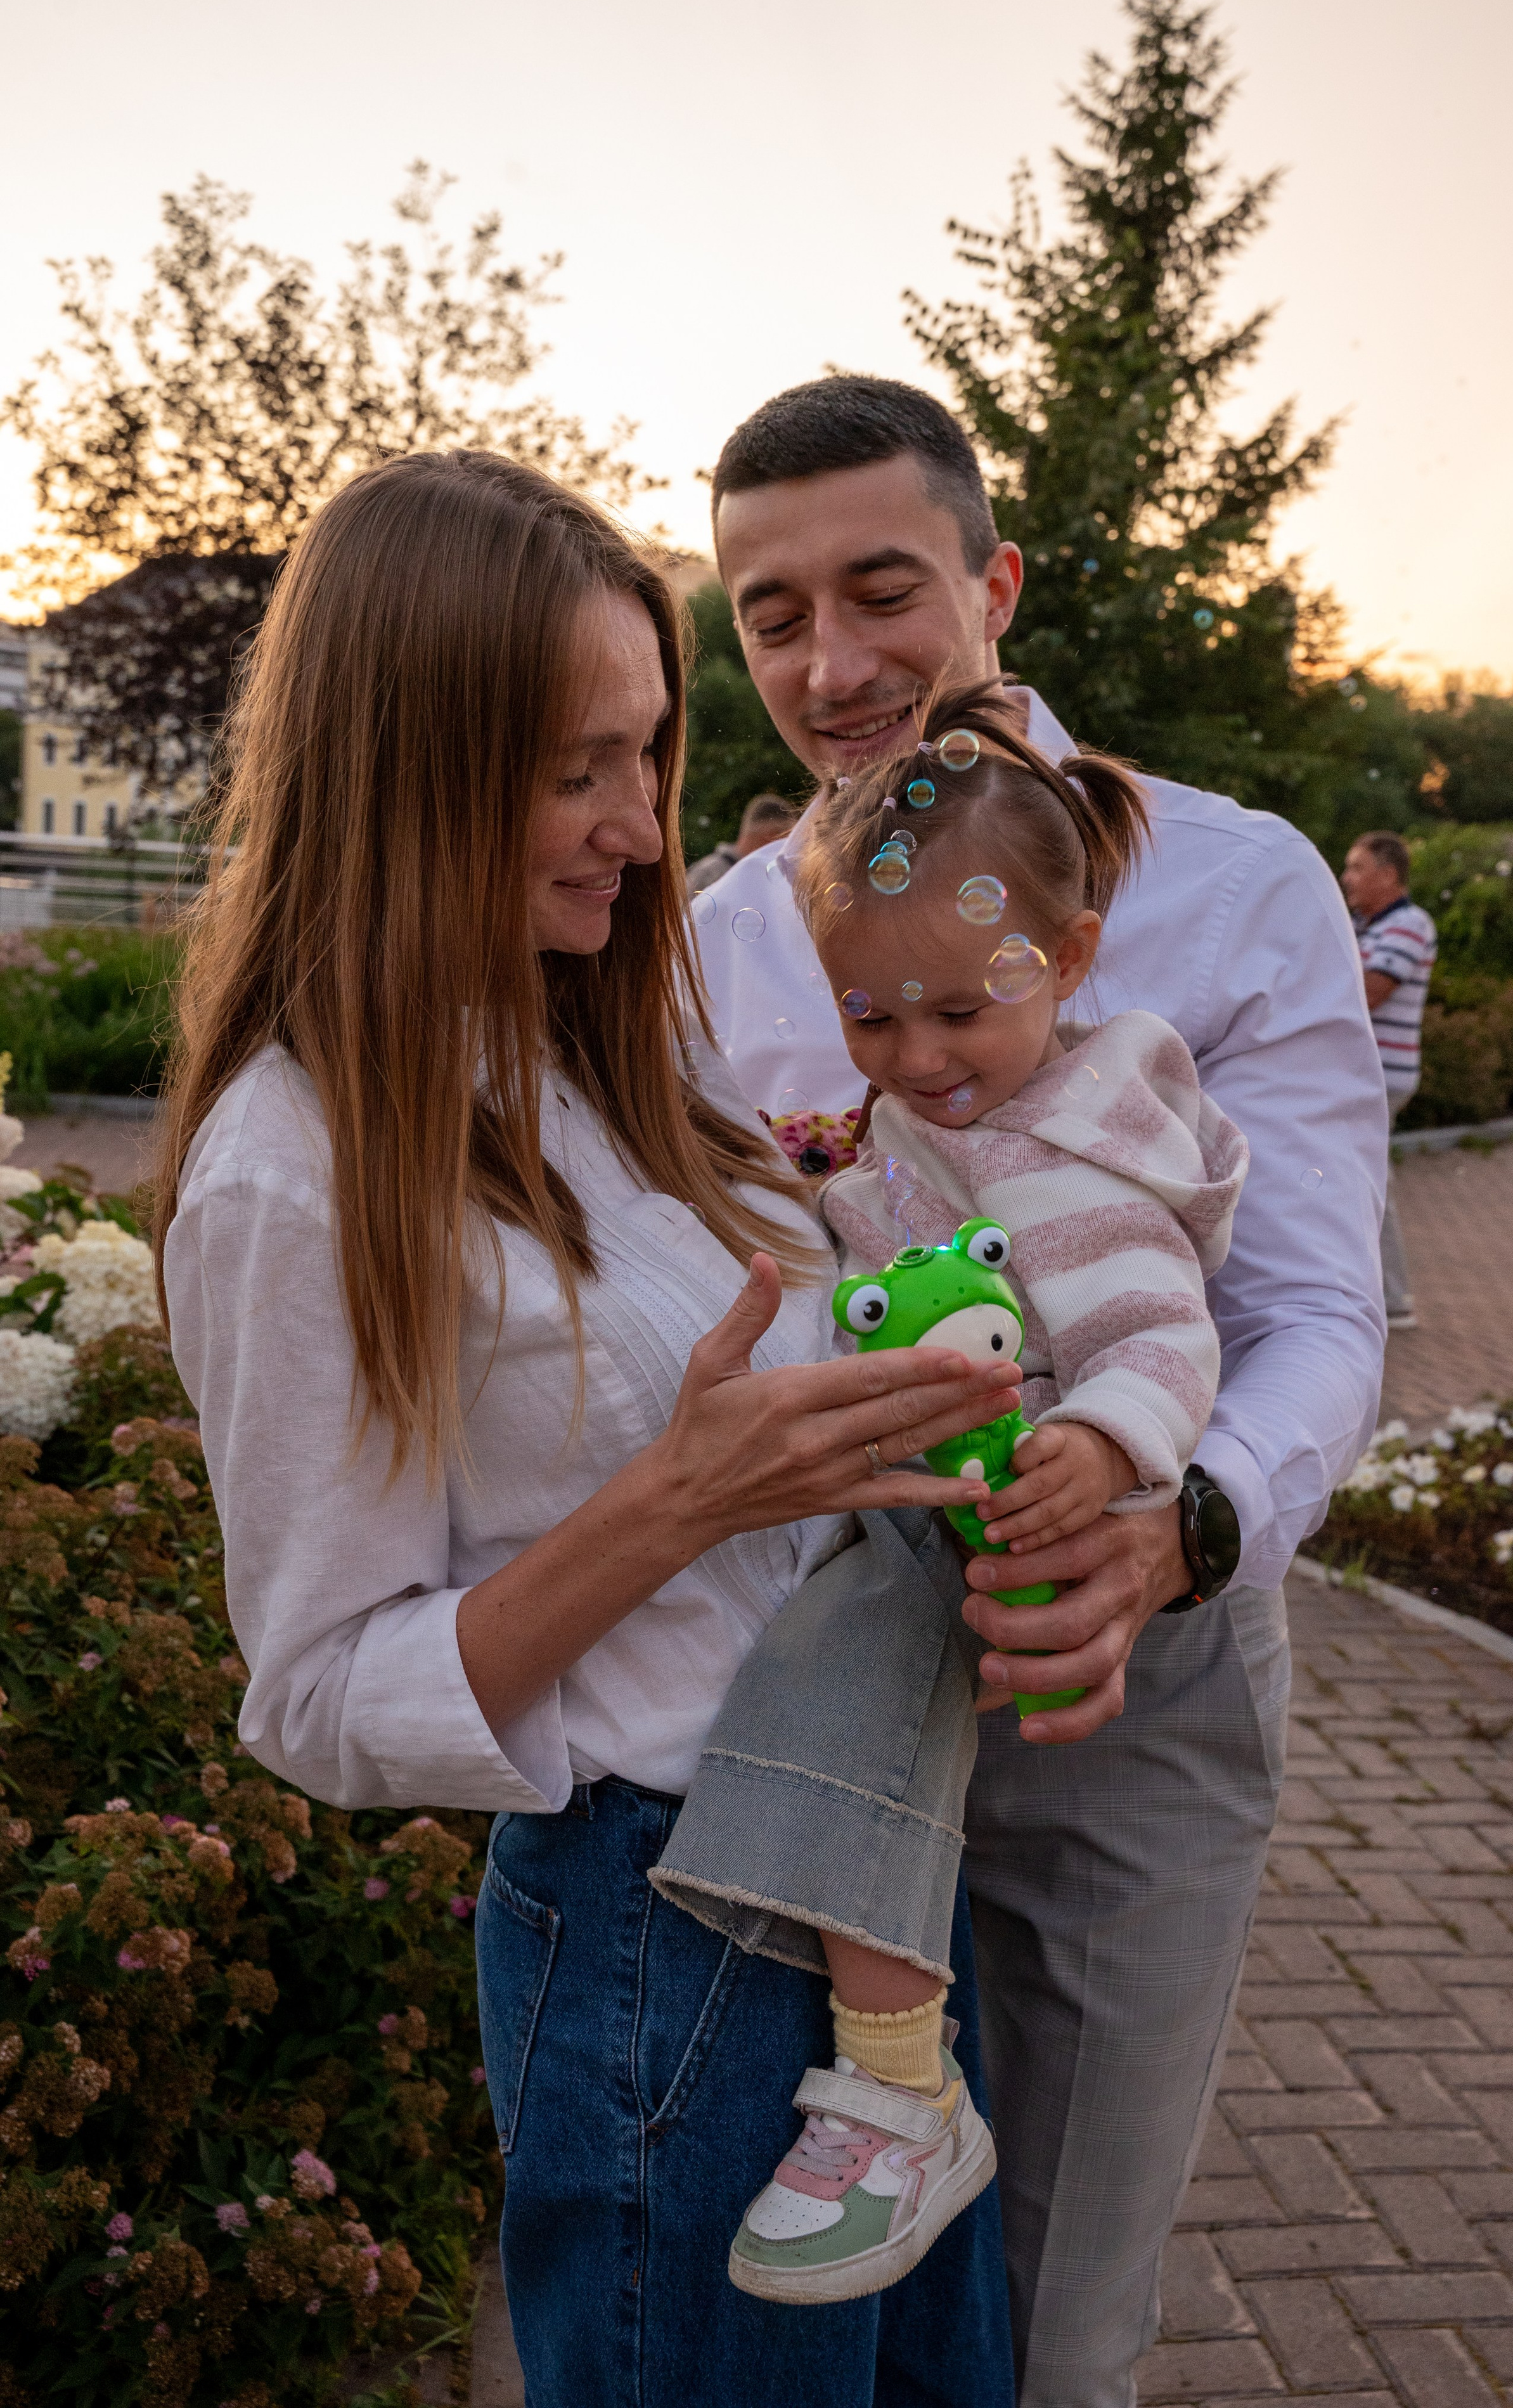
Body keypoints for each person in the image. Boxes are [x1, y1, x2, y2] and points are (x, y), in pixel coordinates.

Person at [150, 449, 1024, 2408]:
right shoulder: (294, 1171)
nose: (639, 826)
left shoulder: (614, 1058)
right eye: (572, 768)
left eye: (647, 752)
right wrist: (671, 1502)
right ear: (408, 763)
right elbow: (315, 1695)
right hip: (668, 1945)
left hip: (872, 1897)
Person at [691, 376, 1389, 2407]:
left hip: (1128, 1682)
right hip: (819, 1663)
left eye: (883, 589)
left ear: (993, 583)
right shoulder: (729, 935)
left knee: (1048, 2327)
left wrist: (1170, 1533)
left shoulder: (1238, 887)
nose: (833, 666)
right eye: (770, 613)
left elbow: (1319, 1312)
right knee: (808, 2295)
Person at [652, 685, 1248, 2308]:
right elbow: (863, 1258)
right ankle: (893, 2071)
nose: (915, 1058)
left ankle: (896, 2085)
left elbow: (1155, 1329)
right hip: (936, 1490)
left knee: (845, 1688)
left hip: (1013, 1511)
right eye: (869, 1016)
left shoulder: (1070, 1151)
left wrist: (1111, 1444)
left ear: (1061, 963)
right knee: (852, 1711)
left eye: (954, 1014)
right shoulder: (933, 1116)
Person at [1340, 829, 1438, 1331]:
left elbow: (1370, 991)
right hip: (1364, 1074)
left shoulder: (1409, 925)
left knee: (1367, 1183)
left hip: (1380, 1076)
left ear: (1389, 875)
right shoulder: (1364, 926)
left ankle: (1392, 1298)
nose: (1346, 877)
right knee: (1361, 1179)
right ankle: (1382, 1294)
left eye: (1357, 867)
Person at [686, 789, 799, 891]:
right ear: (770, 837)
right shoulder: (710, 875)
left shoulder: (759, 873)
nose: (788, 848)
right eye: (786, 840)